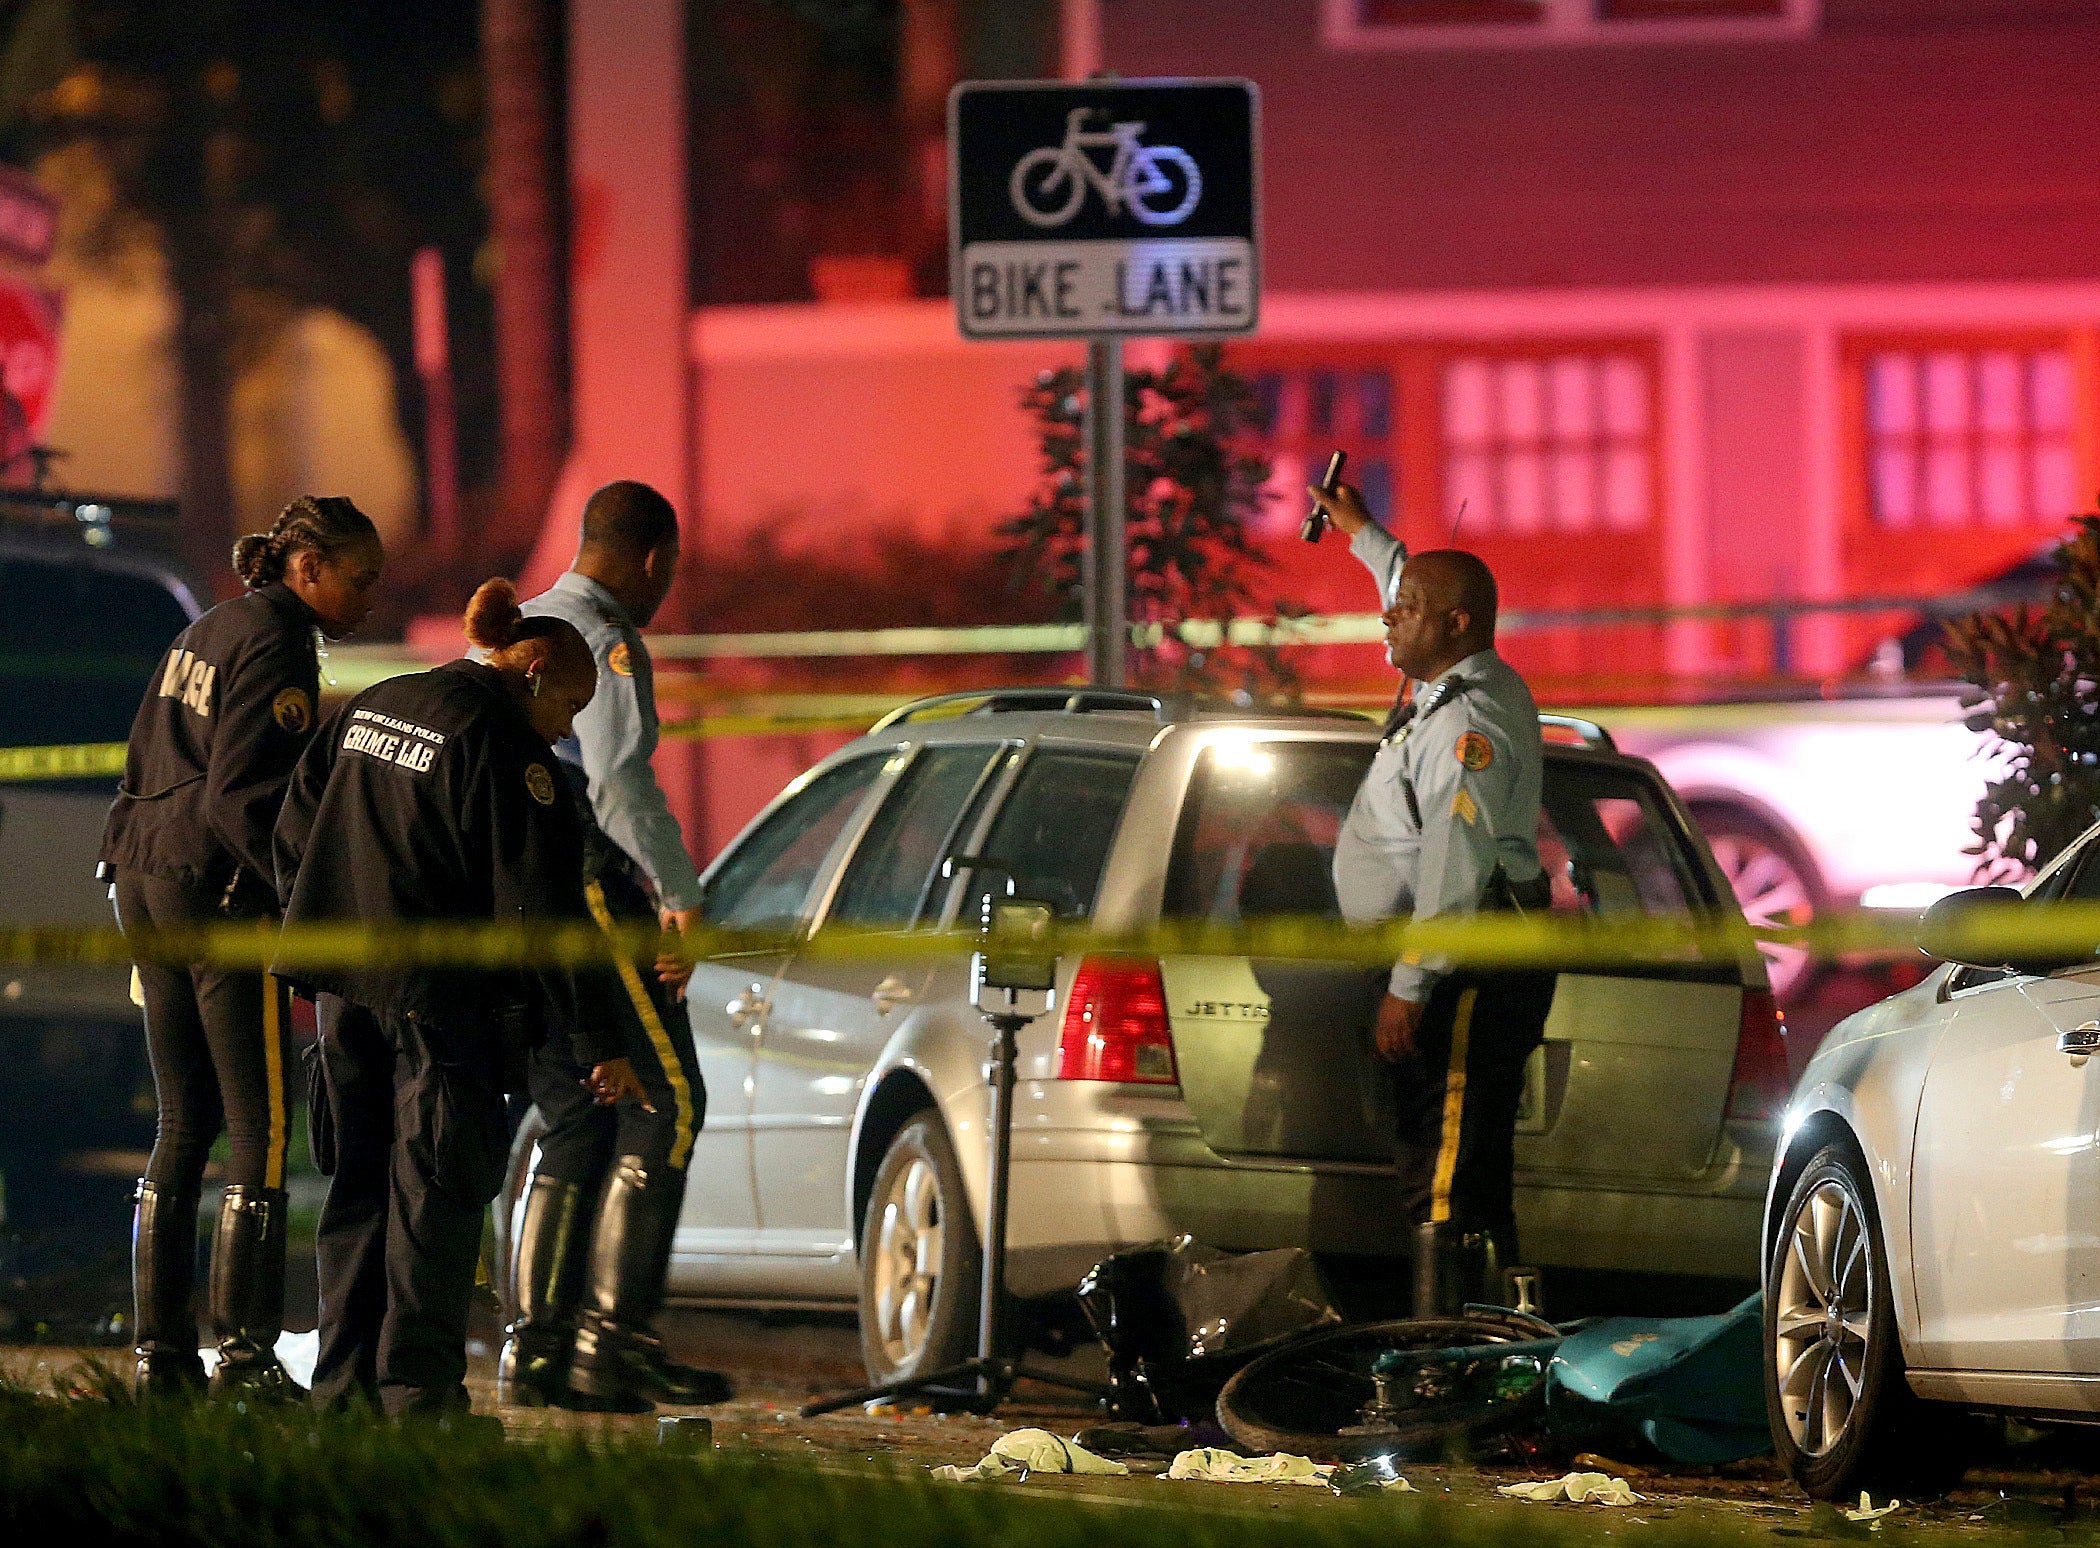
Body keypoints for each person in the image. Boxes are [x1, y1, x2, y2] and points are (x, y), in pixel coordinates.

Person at [274, 579, 648, 1417]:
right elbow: (541, 914)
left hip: (342, 991)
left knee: (357, 1193)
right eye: (571, 705)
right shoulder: (505, 750)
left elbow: (296, 823)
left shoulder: (381, 699)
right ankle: (419, 1402)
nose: (569, 727)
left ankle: (341, 1393)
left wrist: (317, 917)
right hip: (437, 1009)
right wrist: (600, 1042)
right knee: (434, 1206)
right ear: (534, 667)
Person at [100, 496, 384, 1399]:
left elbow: (149, 760)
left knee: (182, 1123)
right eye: (358, 577)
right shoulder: (280, 644)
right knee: (260, 1130)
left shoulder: (213, 626)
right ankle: (248, 1360)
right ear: (307, 569)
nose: (367, 598)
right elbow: (240, 799)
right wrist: (306, 891)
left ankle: (160, 1360)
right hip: (216, 895)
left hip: (142, 875)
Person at [497, 480, 726, 1411]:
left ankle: (536, 1351)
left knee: (577, 1112)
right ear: (652, 559)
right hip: (587, 874)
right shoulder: (604, 639)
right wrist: (677, 893)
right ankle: (612, 1344)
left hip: (518, 887)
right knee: (668, 1099)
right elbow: (621, 782)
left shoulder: (523, 621)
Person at [1305, 480, 1556, 1317]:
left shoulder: (1464, 723)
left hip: (1464, 964)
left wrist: (1410, 990)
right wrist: (1364, 533)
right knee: (1463, 1154)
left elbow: (1455, 863)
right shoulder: (1449, 680)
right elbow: (1412, 586)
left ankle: (1435, 1355)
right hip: (1461, 956)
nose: (1388, 616)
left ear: (1455, 627)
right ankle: (1481, 1341)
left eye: (1406, 610)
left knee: (1442, 1159)